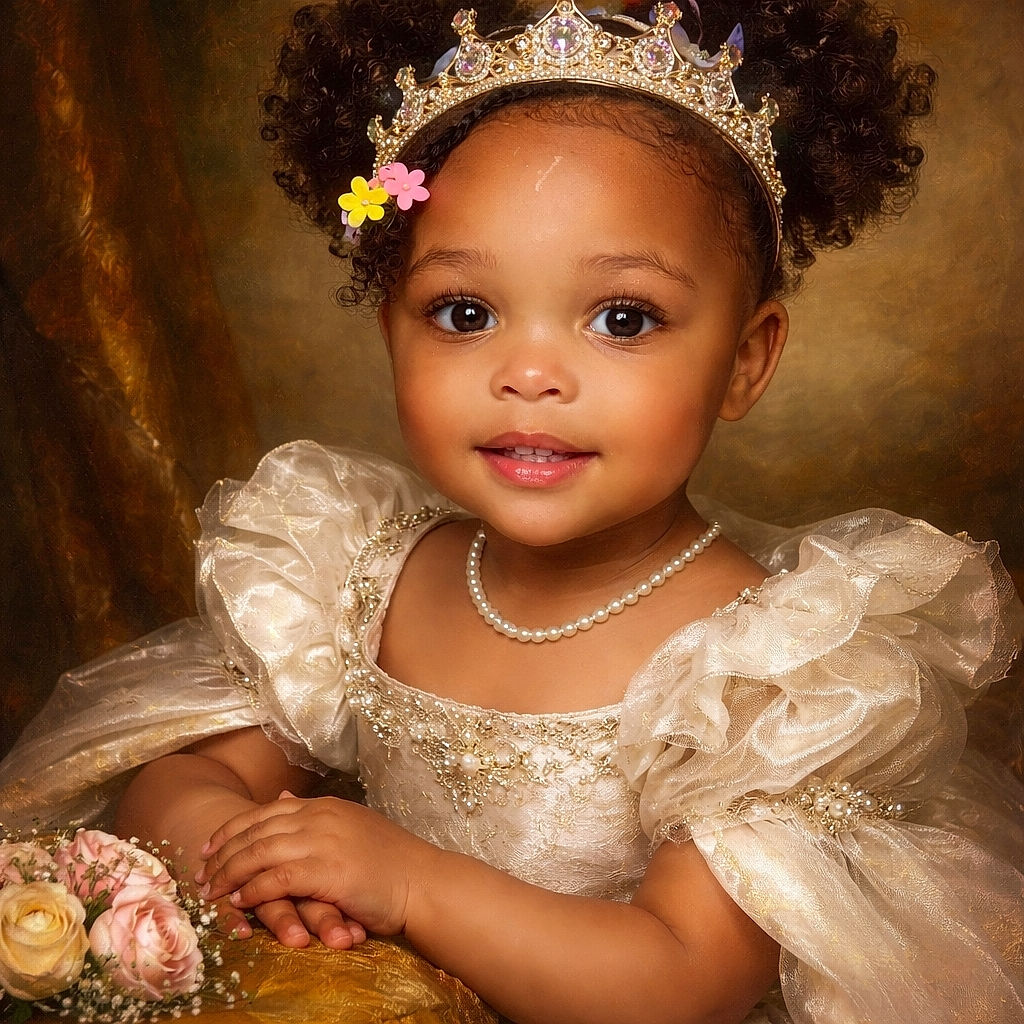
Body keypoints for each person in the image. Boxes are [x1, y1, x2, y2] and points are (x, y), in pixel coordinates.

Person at [2, 1, 1022, 1022]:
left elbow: (682, 980)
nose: (529, 374)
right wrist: (257, 855)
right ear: (391, 328)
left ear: (745, 360)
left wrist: (407, 882)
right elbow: (174, 783)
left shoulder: (764, 669)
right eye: (465, 313)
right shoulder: (361, 574)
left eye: (622, 318)